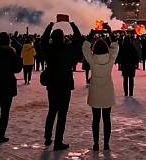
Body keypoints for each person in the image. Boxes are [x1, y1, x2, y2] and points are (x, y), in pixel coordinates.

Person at [41, 21, 81, 151]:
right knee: (62, 114)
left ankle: (47, 137)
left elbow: (43, 41)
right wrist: (73, 25)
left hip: (52, 84)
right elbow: (78, 40)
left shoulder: (49, 49)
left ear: (52, 37)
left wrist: (49, 26)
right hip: (65, 84)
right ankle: (58, 141)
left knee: (52, 111)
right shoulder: (67, 49)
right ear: (63, 37)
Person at [82, 25, 119, 152]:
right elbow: (116, 47)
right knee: (107, 119)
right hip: (107, 90)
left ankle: (96, 143)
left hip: (95, 92)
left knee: (96, 119)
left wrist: (91, 35)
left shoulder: (92, 60)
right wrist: (110, 33)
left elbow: (85, 48)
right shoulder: (110, 59)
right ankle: (107, 144)